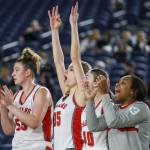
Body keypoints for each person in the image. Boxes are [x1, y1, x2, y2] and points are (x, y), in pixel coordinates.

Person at [48, 3, 91, 150]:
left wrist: (73, 25)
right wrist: (54, 31)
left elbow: (75, 58)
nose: (66, 72)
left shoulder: (80, 95)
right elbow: (59, 62)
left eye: (71, 70)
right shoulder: (66, 93)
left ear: (81, 75)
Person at [69, 3, 111, 150]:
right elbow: (75, 59)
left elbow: (76, 58)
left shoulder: (108, 106)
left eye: (87, 77)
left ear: (98, 82)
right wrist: (73, 26)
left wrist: (74, 26)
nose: (84, 79)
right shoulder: (88, 105)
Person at [0, 48, 53, 150]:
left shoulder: (42, 92)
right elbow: (8, 130)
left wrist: (10, 106)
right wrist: (2, 107)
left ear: (27, 72)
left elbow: (34, 122)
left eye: (16, 70)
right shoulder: (16, 96)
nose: (12, 74)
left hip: (38, 147)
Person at [85, 74, 150, 150]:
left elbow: (113, 122)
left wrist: (105, 94)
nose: (117, 84)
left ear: (132, 91)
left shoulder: (141, 107)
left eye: (123, 83)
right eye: (118, 82)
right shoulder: (115, 109)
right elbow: (94, 126)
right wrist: (90, 100)